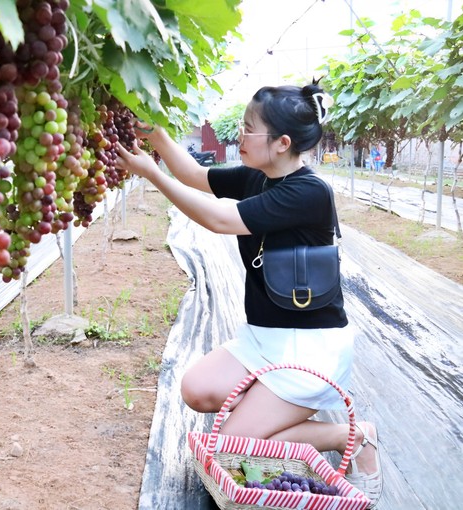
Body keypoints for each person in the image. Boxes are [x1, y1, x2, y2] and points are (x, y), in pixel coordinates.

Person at [115, 82, 382, 506]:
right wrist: (156, 135)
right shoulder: (258, 176)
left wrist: (151, 174)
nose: (237, 135)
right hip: (265, 337)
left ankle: (353, 435)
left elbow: (221, 220)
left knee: (229, 446)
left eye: (247, 128)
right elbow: (194, 175)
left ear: (282, 143)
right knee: (196, 389)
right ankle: (270, 413)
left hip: (308, 348)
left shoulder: (308, 192)